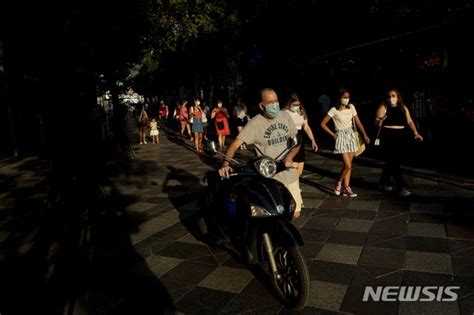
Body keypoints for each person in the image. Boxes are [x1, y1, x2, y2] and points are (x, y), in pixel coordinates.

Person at [219, 88, 303, 218]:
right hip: (269, 177)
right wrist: (225, 163)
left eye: (276, 101)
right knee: (273, 213)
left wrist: (290, 157)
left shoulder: (285, 116)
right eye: (270, 102)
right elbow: (235, 144)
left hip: (288, 172)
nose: (275, 105)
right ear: (262, 106)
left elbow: (297, 142)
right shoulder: (255, 124)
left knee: (294, 213)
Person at [320, 88, 370, 197]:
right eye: (344, 97)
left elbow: (358, 122)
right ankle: (339, 182)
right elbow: (322, 124)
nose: (346, 99)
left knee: (349, 165)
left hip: (351, 135)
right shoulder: (334, 110)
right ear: (339, 98)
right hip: (341, 136)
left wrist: (365, 134)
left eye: (348, 97)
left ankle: (346, 188)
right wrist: (333, 135)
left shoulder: (351, 107)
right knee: (347, 165)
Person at [375, 89, 423, 197]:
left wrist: (416, 132)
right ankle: (402, 187)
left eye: (393, 95)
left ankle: (383, 183)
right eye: (389, 96)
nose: (391, 98)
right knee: (394, 163)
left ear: (397, 97)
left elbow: (409, 121)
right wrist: (380, 120)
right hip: (388, 135)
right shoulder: (383, 107)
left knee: (391, 162)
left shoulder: (403, 107)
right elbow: (377, 122)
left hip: (400, 136)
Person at [283, 93, 319, 178]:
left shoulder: (301, 112)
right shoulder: (284, 113)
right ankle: (295, 188)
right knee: (293, 168)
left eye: (298, 104)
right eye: (294, 105)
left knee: (300, 168)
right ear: (289, 103)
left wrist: (312, 140)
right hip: (290, 139)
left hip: (300, 139)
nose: (296, 106)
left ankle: (296, 185)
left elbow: (306, 127)